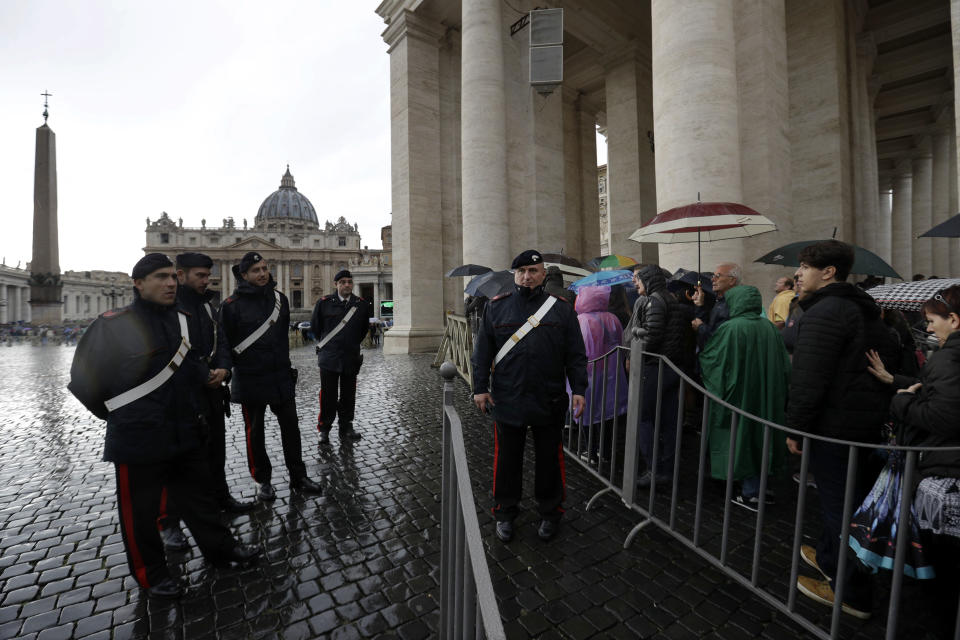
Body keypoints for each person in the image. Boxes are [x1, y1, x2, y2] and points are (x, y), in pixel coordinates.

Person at [68, 254, 259, 599]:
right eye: (160, 276)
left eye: (173, 276)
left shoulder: (183, 320)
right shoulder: (111, 324)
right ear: (138, 283)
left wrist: (212, 377)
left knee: (201, 501)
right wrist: (122, 417)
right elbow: (83, 383)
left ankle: (222, 551)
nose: (170, 283)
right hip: (138, 437)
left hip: (185, 428)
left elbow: (190, 366)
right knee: (140, 514)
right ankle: (151, 574)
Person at [785, 240, 899, 619]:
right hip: (860, 425)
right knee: (846, 501)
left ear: (828, 272)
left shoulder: (825, 313)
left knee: (842, 507)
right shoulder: (862, 309)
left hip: (835, 428)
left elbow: (808, 380)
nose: (798, 274)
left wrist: (796, 429)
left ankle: (851, 592)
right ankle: (831, 558)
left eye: (804, 267)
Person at [471, 249, 588, 543]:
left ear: (543, 274)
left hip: (548, 397)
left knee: (550, 460)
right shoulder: (496, 307)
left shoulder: (561, 308)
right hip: (508, 397)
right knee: (507, 461)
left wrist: (580, 389)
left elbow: (575, 354)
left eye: (533, 271)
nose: (527, 276)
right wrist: (480, 387)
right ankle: (505, 513)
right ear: (515, 274)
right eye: (522, 271)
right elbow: (482, 352)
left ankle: (551, 513)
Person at [866, 285, 960, 637]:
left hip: (946, 473)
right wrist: (898, 381)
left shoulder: (950, 356)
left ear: (954, 319)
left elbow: (944, 416)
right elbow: (939, 392)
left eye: (933, 321)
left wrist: (901, 402)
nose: (930, 329)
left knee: (944, 577)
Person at [155, 253, 256, 552]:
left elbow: (222, 341)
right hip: (181, 395)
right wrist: (204, 373)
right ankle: (168, 521)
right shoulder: (169, 309)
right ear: (181, 275)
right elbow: (173, 351)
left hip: (212, 390)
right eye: (200, 275)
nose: (207, 281)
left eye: (208, 276)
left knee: (216, 449)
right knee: (177, 460)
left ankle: (220, 496)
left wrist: (225, 368)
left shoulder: (210, 307)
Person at [220, 252, 323, 501]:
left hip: (279, 375)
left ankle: (298, 476)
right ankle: (262, 480)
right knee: (254, 432)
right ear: (244, 275)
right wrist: (224, 371)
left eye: (265, 268)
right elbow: (224, 342)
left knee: (291, 428)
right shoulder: (231, 306)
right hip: (250, 376)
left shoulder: (280, 300)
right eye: (256, 270)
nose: (263, 273)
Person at [699, 285, 790, 510]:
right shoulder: (770, 328)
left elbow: (713, 361)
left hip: (740, 396)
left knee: (743, 439)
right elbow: (784, 365)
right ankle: (763, 488)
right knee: (762, 438)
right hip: (766, 395)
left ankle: (751, 493)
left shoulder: (731, 328)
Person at [623, 264, 694, 487]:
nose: (635, 283)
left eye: (638, 279)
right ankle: (667, 468)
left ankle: (654, 470)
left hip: (655, 367)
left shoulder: (654, 300)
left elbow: (652, 336)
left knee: (644, 418)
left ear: (650, 280)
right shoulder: (671, 300)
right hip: (672, 367)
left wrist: (636, 346)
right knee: (669, 422)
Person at [569, 285, 628, 465]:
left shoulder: (582, 320)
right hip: (611, 373)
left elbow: (580, 349)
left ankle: (591, 451)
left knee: (587, 412)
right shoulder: (613, 318)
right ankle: (606, 452)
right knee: (608, 412)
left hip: (589, 375)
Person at [311, 269, 370, 445]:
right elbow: (315, 328)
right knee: (328, 395)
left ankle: (346, 426)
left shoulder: (361, 305)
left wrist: (350, 345)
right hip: (329, 357)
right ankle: (324, 428)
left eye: (349, 282)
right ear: (336, 284)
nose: (347, 285)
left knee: (348, 394)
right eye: (343, 282)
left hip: (350, 356)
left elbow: (363, 330)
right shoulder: (324, 303)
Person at [692, 262, 741, 349]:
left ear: (732, 280)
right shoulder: (721, 301)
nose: (712, 279)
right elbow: (711, 326)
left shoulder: (733, 304)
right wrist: (700, 305)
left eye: (718, 276)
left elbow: (719, 339)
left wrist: (700, 327)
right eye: (713, 276)